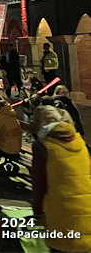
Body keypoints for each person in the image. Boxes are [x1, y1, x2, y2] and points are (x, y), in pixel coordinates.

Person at [31, 105, 91, 252]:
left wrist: (37, 211)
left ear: (40, 124)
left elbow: (39, 185)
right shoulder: (79, 142)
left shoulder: (42, 146)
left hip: (61, 214)